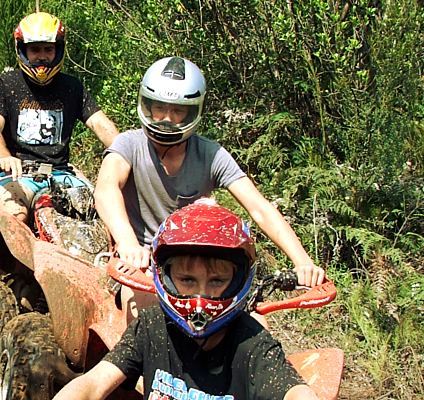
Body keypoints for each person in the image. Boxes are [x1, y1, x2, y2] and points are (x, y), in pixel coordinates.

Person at [94, 57, 324, 320]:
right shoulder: (128, 144)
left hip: (199, 265)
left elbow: (260, 208)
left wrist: (302, 262)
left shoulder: (211, 154)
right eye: (159, 108)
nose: (167, 118)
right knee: (145, 321)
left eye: (178, 111)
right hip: (142, 264)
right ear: (146, 105)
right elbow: (106, 189)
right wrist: (129, 245)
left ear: (193, 112)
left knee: (254, 323)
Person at [53, 200, 320, 400]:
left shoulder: (252, 344)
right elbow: (94, 383)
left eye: (217, 281)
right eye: (187, 280)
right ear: (165, 276)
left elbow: (295, 391)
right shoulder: (152, 327)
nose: (201, 296)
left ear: (239, 279)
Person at [0, 12, 120, 224]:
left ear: (58, 50)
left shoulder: (72, 87)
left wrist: (126, 152)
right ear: (23, 50)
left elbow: (100, 124)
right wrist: (3, 156)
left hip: (61, 175)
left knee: (100, 212)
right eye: (35, 50)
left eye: (48, 49)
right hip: (16, 176)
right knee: (16, 216)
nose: (42, 56)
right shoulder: (5, 83)